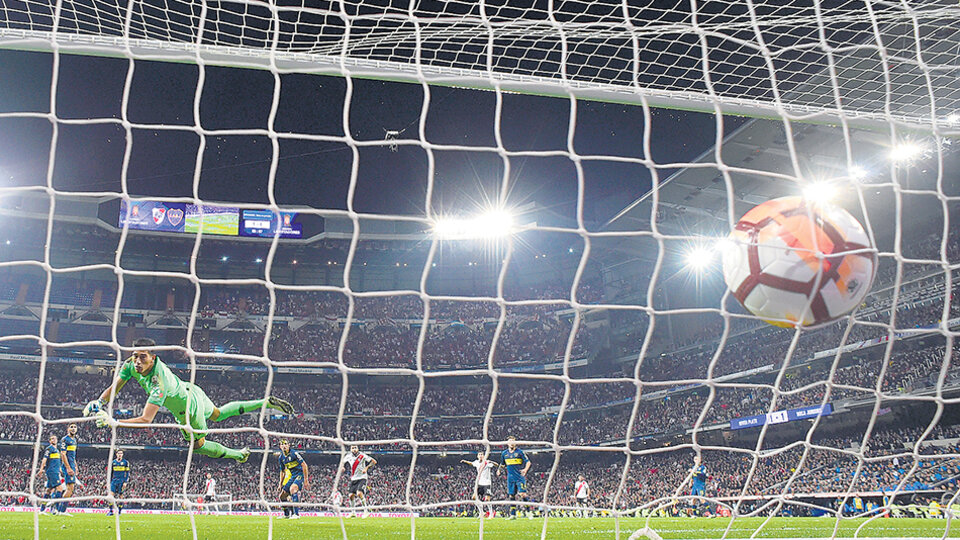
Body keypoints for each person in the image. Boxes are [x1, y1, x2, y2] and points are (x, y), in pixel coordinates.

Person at [84, 338, 294, 462]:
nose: (137, 361)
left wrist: (115, 422)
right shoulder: (130, 364)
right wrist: (100, 402)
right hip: (191, 389)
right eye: (135, 356)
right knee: (218, 414)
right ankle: (264, 402)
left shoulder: (159, 382)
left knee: (199, 446)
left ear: (154, 358)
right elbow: (116, 385)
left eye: (143, 357)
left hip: (188, 410)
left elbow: (146, 420)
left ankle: (238, 455)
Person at [499, 436, 530, 520]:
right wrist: (499, 470)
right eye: (510, 441)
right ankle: (513, 514)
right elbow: (502, 464)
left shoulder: (520, 452)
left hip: (519, 477)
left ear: (515, 443)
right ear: (507, 443)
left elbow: (528, 462)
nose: (511, 443)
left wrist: (525, 469)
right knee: (511, 495)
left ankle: (528, 512)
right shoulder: (504, 453)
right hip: (510, 478)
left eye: (513, 441)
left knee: (522, 494)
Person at [276, 439, 309, 519]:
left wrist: (306, 480)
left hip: (300, 474)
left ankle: (296, 514)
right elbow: (282, 471)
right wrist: (280, 484)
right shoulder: (281, 458)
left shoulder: (294, 454)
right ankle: (286, 514)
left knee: (293, 489)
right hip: (292, 476)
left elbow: (304, 465)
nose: (284, 446)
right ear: (280, 446)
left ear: (289, 445)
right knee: (282, 496)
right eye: (282, 444)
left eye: (286, 444)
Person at [341, 446, 376, 518]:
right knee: (351, 495)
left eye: (355, 448)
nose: (354, 449)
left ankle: (366, 511)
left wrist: (366, 468)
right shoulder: (348, 456)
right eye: (352, 448)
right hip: (354, 478)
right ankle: (353, 512)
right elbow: (342, 462)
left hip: (362, 477)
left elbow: (374, 461)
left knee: (359, 493)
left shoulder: (362, 455)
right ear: (350, 449)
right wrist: (342, 467)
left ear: (358, 449)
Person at [460, 451, 497, 518]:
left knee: (487, 499)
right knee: (474, 497)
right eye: (479, 454)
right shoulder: (476, 462)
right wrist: (465, 461)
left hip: (487, 483)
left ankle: (491, 513)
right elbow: (471, 463)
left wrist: (491, 461)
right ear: (477, 456)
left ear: (484, 456)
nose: (480, 456)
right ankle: (481, 512)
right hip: (479, 483)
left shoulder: (487, 463)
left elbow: (496, 465)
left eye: (482, 454)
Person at [39, 434, 64, 515]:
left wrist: (60, 470)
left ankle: (42, 510)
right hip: (52, 472)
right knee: (59, 488)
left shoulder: (57, 450)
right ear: (49, 441)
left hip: (55, 471)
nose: (54, 440)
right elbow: (44, 459)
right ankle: (56, 509)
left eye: (55, 438)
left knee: (48, 491)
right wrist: (41, 469)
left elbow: (56, 463)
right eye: (52, 439)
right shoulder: (49, 448)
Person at [58, 423, 79, 515]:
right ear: (68, 429)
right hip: (68, 466)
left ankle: (60, 510)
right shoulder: (65, 439)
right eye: (71, 427)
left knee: (71, 489)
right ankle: (60, 510)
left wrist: (76, 466)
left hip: (72, 465)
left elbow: (73, 456)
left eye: (75, 427)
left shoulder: (74, 440)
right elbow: (63, 454)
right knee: (69, 489)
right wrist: (68, 467)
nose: (73, 429)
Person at [108, 450, 129, 516]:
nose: (120, 454)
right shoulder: (113, 462)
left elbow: (127, 473)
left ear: (122, 454)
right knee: (111, 495)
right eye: (119, 453)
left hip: (121, 481)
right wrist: (109, 482)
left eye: (121, 453)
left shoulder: (125, 462)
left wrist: (125, 482)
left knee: (120, 496)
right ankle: (111, 511)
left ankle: (119, 511)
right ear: (116, 454)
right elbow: (110, 473)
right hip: (114, 481)